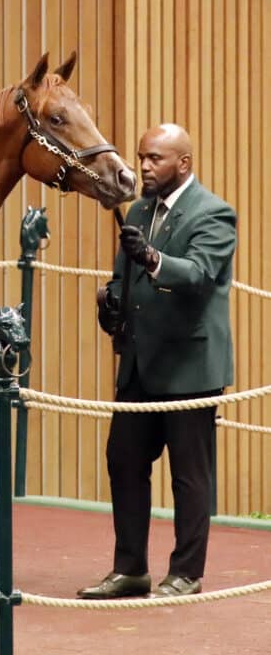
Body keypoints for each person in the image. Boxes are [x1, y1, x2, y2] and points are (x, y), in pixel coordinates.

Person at [79, 123, 236, 600]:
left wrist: (150, 258)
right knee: (123, 462)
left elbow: (199, 275)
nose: (143, 166)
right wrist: (110, 304)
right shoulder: (141, 209)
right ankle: (130, 570)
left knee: (189, 478)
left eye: (155, 159)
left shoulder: (213, 213)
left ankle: (186, 574)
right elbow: (124, 280)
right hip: (139, 366)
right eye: (142, 157)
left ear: (182, 164)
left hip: (189, 368)